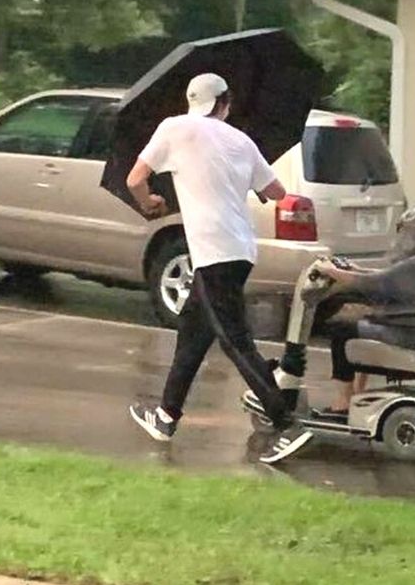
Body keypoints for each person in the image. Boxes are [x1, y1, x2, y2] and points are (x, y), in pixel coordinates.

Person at [124, 73, 313, 465]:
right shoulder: (241, 140)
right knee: (193, 335)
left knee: (234, 340)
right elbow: (277, 192)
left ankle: (286, 423)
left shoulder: (175, 128)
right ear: (224, 102)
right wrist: (249, 182)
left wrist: (150, 203)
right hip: (241, 248)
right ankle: (166, 415)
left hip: (213, 250)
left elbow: (135, 179)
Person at [309, 207, 415, 416]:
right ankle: (358, 393)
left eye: (404, 231)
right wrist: (354, 268)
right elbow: (390, 277)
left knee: (340, 329)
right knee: (360, 319)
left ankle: (341, 403)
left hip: (410, 332)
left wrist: (331, 271)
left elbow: (372, 283)